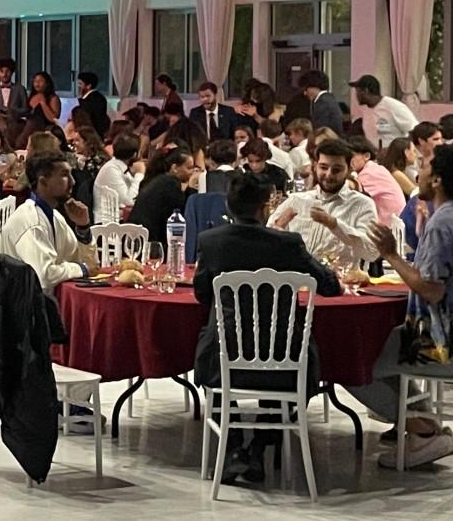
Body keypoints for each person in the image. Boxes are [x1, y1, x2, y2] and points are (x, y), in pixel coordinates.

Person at [192, 172, 342, 485]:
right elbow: (330, 286)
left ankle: (234, 448)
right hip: (284, 358)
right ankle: (258, 447)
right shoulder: (288, 243)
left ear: (230, 207)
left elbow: (203, 295)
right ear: (264, 208)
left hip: (226, 356)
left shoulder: (211, 241)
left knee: (215, 352)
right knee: (283, 362)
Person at [347, 145, 453, 468]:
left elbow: (432, 289)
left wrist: (390, 254)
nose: (415, 175)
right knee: (382, 351)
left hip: (437, 340)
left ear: (436, 180)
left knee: (353, 361)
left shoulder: (442, 223)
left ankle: (422, 429)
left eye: (422, 168)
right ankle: (425, 426)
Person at [267, 138, 378, 268]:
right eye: (323, 167)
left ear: (349, 169)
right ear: (315, 166)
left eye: (337, 170)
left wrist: (334, 225)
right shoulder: (296, 200)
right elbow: (266, 244)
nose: (329, 174)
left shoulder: (362, 204)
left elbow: (372, 253)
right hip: (297, 280)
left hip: (339, 282)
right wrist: (278, 229)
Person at [0, 152, 93, 294]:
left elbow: (87, 262)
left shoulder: (55, 217)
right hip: (25, 310)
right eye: (64, 175)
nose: (73, 182)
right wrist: (81, 269)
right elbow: (44, 276)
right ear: (42, 181)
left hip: (49, 304)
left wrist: (83, 227)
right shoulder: (30, 221)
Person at [127, 148, 195, 247]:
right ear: (174, 167)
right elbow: (181, 214)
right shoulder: (170, 184)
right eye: (189, 168)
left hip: (137, 237)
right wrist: (191, 187)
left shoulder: (157, 180)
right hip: (150, 243)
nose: (192, 172)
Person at [347, 136, 406, 223]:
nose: (347, 160)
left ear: (366, 156)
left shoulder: (369, 173)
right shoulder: (374, 168)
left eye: (351, 156)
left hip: (390, 227)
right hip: (392, 222)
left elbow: (349, 197)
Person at [350, 74, 417, 148]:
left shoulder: (393, 106)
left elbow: (415, 131)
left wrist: (396, 149)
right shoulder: (366, 110)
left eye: (358, 91)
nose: (356, 95)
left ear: (366, 91)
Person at [93, 134, 144, 222]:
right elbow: (129, 201)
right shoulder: (111, 169)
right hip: (106, 223)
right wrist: (139, 174)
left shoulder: (122, 168)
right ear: (135, 154)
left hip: (119, 218)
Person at [297, 69, 343, 135]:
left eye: (306, 89)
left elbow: (319, 130)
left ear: (315, 86)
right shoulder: (328, 99)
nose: (305, 93)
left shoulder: (323, 103)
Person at [76, 72, 110, 139]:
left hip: (92, 135)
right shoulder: (97, 97)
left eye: (80, 84)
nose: (78, 86)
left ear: (88, 86)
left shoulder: (94, 99)